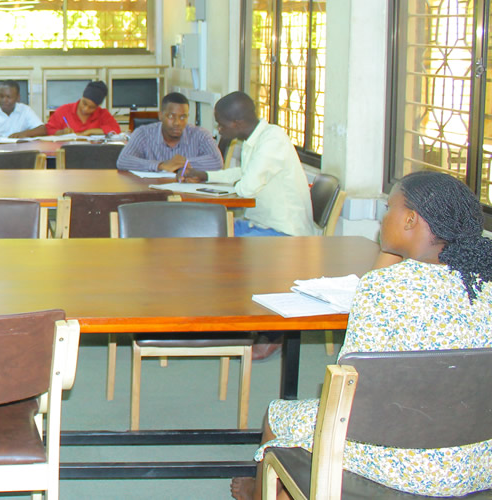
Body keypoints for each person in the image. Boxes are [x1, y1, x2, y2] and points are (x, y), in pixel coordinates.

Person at [229, 170, 492, 500]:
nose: (383, 219)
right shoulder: (484, 282)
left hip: (403, 463)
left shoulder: (383, 288)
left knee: (278, 415)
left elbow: (353, 383)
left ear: (410, 219)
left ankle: (264, 491)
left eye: (388, 209)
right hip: (477, 460)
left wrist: (388, 257)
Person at [181, 92, 315, 238]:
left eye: (221, 124)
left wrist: (240, 183)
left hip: (284, 233)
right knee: (198, 232)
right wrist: (205, 176)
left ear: (237, 123)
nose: (218, 129)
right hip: (258, 225)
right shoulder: (253, 139)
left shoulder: (273, 139)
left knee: (218, 248)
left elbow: (247, 188)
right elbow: (244, 173)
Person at [116, 92, 222, 172]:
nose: (177, 123)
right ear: (161, 115)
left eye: (182, 117)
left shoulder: (200, 135)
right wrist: (160, 165)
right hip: (153, 195)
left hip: (187, 195)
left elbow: (217, 162)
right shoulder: (143, 133)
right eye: (171, 116)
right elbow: (123, 160)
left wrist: (183, 164)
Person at [45, 81, 121, 136]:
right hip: (66, 153)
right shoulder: (64, 111)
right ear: (81, 98)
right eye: (84, 103)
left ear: (97, 106)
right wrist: (61, 132)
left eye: (91, 107)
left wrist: (90, 132)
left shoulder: (102, 114)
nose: (85, 109)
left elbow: (116, 130)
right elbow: (48, 130)